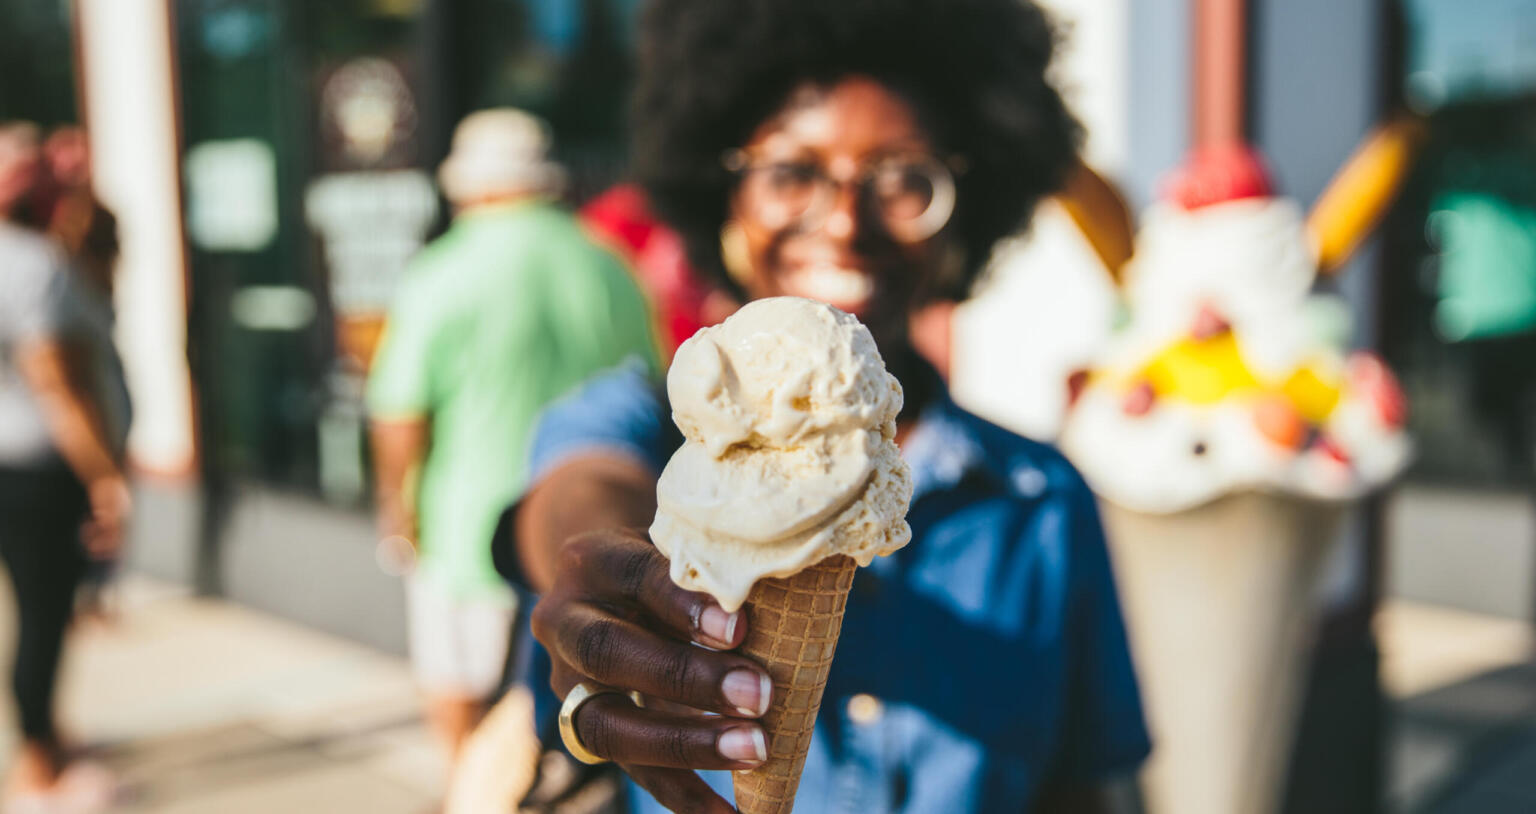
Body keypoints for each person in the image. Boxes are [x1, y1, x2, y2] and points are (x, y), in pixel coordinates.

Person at [498, 1, 1152, 812]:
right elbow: (580, 490)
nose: (844, 220)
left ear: (965, 215)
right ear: (722, 195)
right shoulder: (643, 421)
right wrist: (609, 578)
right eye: (791, 172)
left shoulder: (1043, 499)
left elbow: (1090, 789)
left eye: (905, 178)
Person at [366, 108, 659, 780]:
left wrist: (394, 505)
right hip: (594, 543)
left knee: (462, 707)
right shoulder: (610, 264)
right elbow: (655, 392)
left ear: (470, 188)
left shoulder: (441, 270)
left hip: (468, 533)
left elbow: (397, 413)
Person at [0, 121, 129, 810]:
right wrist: (104, 476)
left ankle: (43, 738)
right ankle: (38, 771)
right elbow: (56, 381)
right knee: (45, 615)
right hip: (36, 470)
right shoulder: (29, 264)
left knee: (34, 612)